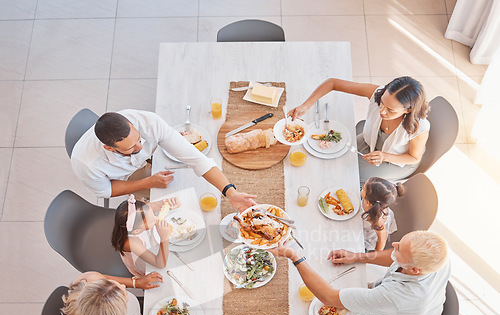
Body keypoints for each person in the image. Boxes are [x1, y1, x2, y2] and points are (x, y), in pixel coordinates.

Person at [271, 231, 450, 315]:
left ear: (415, 269)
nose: (393, 244)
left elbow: (328, 297)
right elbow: (396, 256)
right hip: (407, 314)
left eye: (398, 248)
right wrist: (357, 256)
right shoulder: (438, 255)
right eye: (400, 242)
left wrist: (295, 257)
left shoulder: (398, 297)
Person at [71, 109, 256, 211]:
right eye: (131, 148)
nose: (141, 147)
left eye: (139, 139)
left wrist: (230, 192)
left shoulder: (150, 123)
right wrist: (148, 182)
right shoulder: (86, 164)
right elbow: (106, 190)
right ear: (109, 148)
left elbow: (197, 159)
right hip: (122, 179)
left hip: (144, 165)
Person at [289, 77, 430, 182]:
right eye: (381, 103)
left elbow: (414, 158)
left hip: (395, 161)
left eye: (390, 110)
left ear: (408, 110)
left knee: (350, 177)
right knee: (330, 157)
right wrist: (305, 106)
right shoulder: (377, 93)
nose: (382, 111)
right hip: (369, 143)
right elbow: (332, 83)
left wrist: (384, 156)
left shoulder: (419, 127)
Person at [111, 194, 180, 277]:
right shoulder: (131, 243)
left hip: (150, 243)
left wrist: (168, 203)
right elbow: (160, 264)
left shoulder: (140, 211)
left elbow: (153, 206)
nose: (155, 218)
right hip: (141, 262)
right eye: (151, 221)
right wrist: (164, 237)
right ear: (137, 231)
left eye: (153, 214)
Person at [361, 177, 404, 251]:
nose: (361, 189)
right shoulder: (376, 203)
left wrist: (375, 254)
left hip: (367, 239)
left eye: (363, 189)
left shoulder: (377, 220)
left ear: (368, 203)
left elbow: (382, 239)